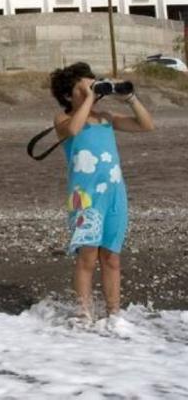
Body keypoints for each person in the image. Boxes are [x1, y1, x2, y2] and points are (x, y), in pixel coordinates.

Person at [49, 62, 154, 322]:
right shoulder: (62, 119)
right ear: (66, 95)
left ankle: (114, 314)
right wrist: (88, 96)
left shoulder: (105, 118)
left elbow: (146, 125)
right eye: (82, 87)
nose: (90, 93)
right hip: (85, 197)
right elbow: (73, 129)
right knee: (87, 256)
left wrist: (129, 97)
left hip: (114, 195)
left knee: (111, 257)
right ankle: (84, 313)